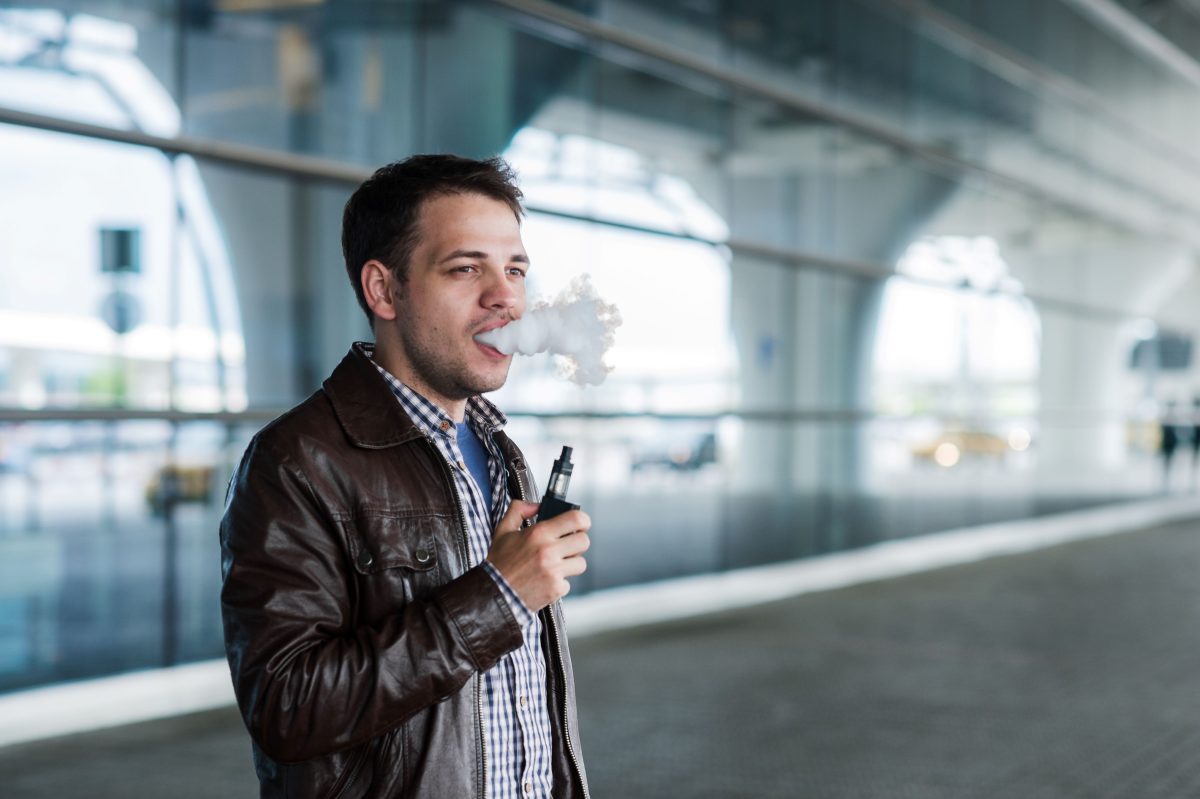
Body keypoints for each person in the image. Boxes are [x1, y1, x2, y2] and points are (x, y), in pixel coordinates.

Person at [220, 154, 592, 799]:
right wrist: (498, 597)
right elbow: (287, 709)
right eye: (465, 268)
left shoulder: (500, 449)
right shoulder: (296, 462)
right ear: (384, 290)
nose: (505, 295)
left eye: (515, 269)